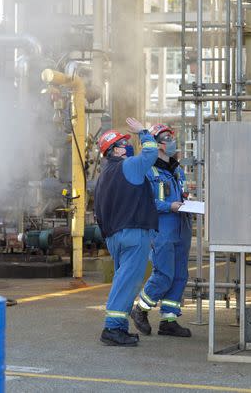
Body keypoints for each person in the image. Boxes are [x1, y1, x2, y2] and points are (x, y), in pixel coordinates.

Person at [94, 117, 159, 346]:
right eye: (123, 143)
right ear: (114, 150)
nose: (127, 146)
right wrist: (144, 132)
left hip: (114, 237)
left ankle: (119, 326)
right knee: (128, 282)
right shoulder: (128, 166)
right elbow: (151, 154)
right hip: (133, 234)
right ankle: (112, 329)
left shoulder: (103, 177)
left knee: (123, 280)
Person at [130, 123, 192, 338]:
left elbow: (180, 195)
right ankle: (140, 309)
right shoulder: (147, 171)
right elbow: (144, 203)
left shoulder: (177, 170)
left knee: (180, 276)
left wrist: (187, 201)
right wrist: (169, 206)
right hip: (162, 229)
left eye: (171, 136)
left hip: (182, 226)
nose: (171, 141)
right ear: (157, 144)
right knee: (164, 275)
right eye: (166, 137)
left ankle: (169, 320)